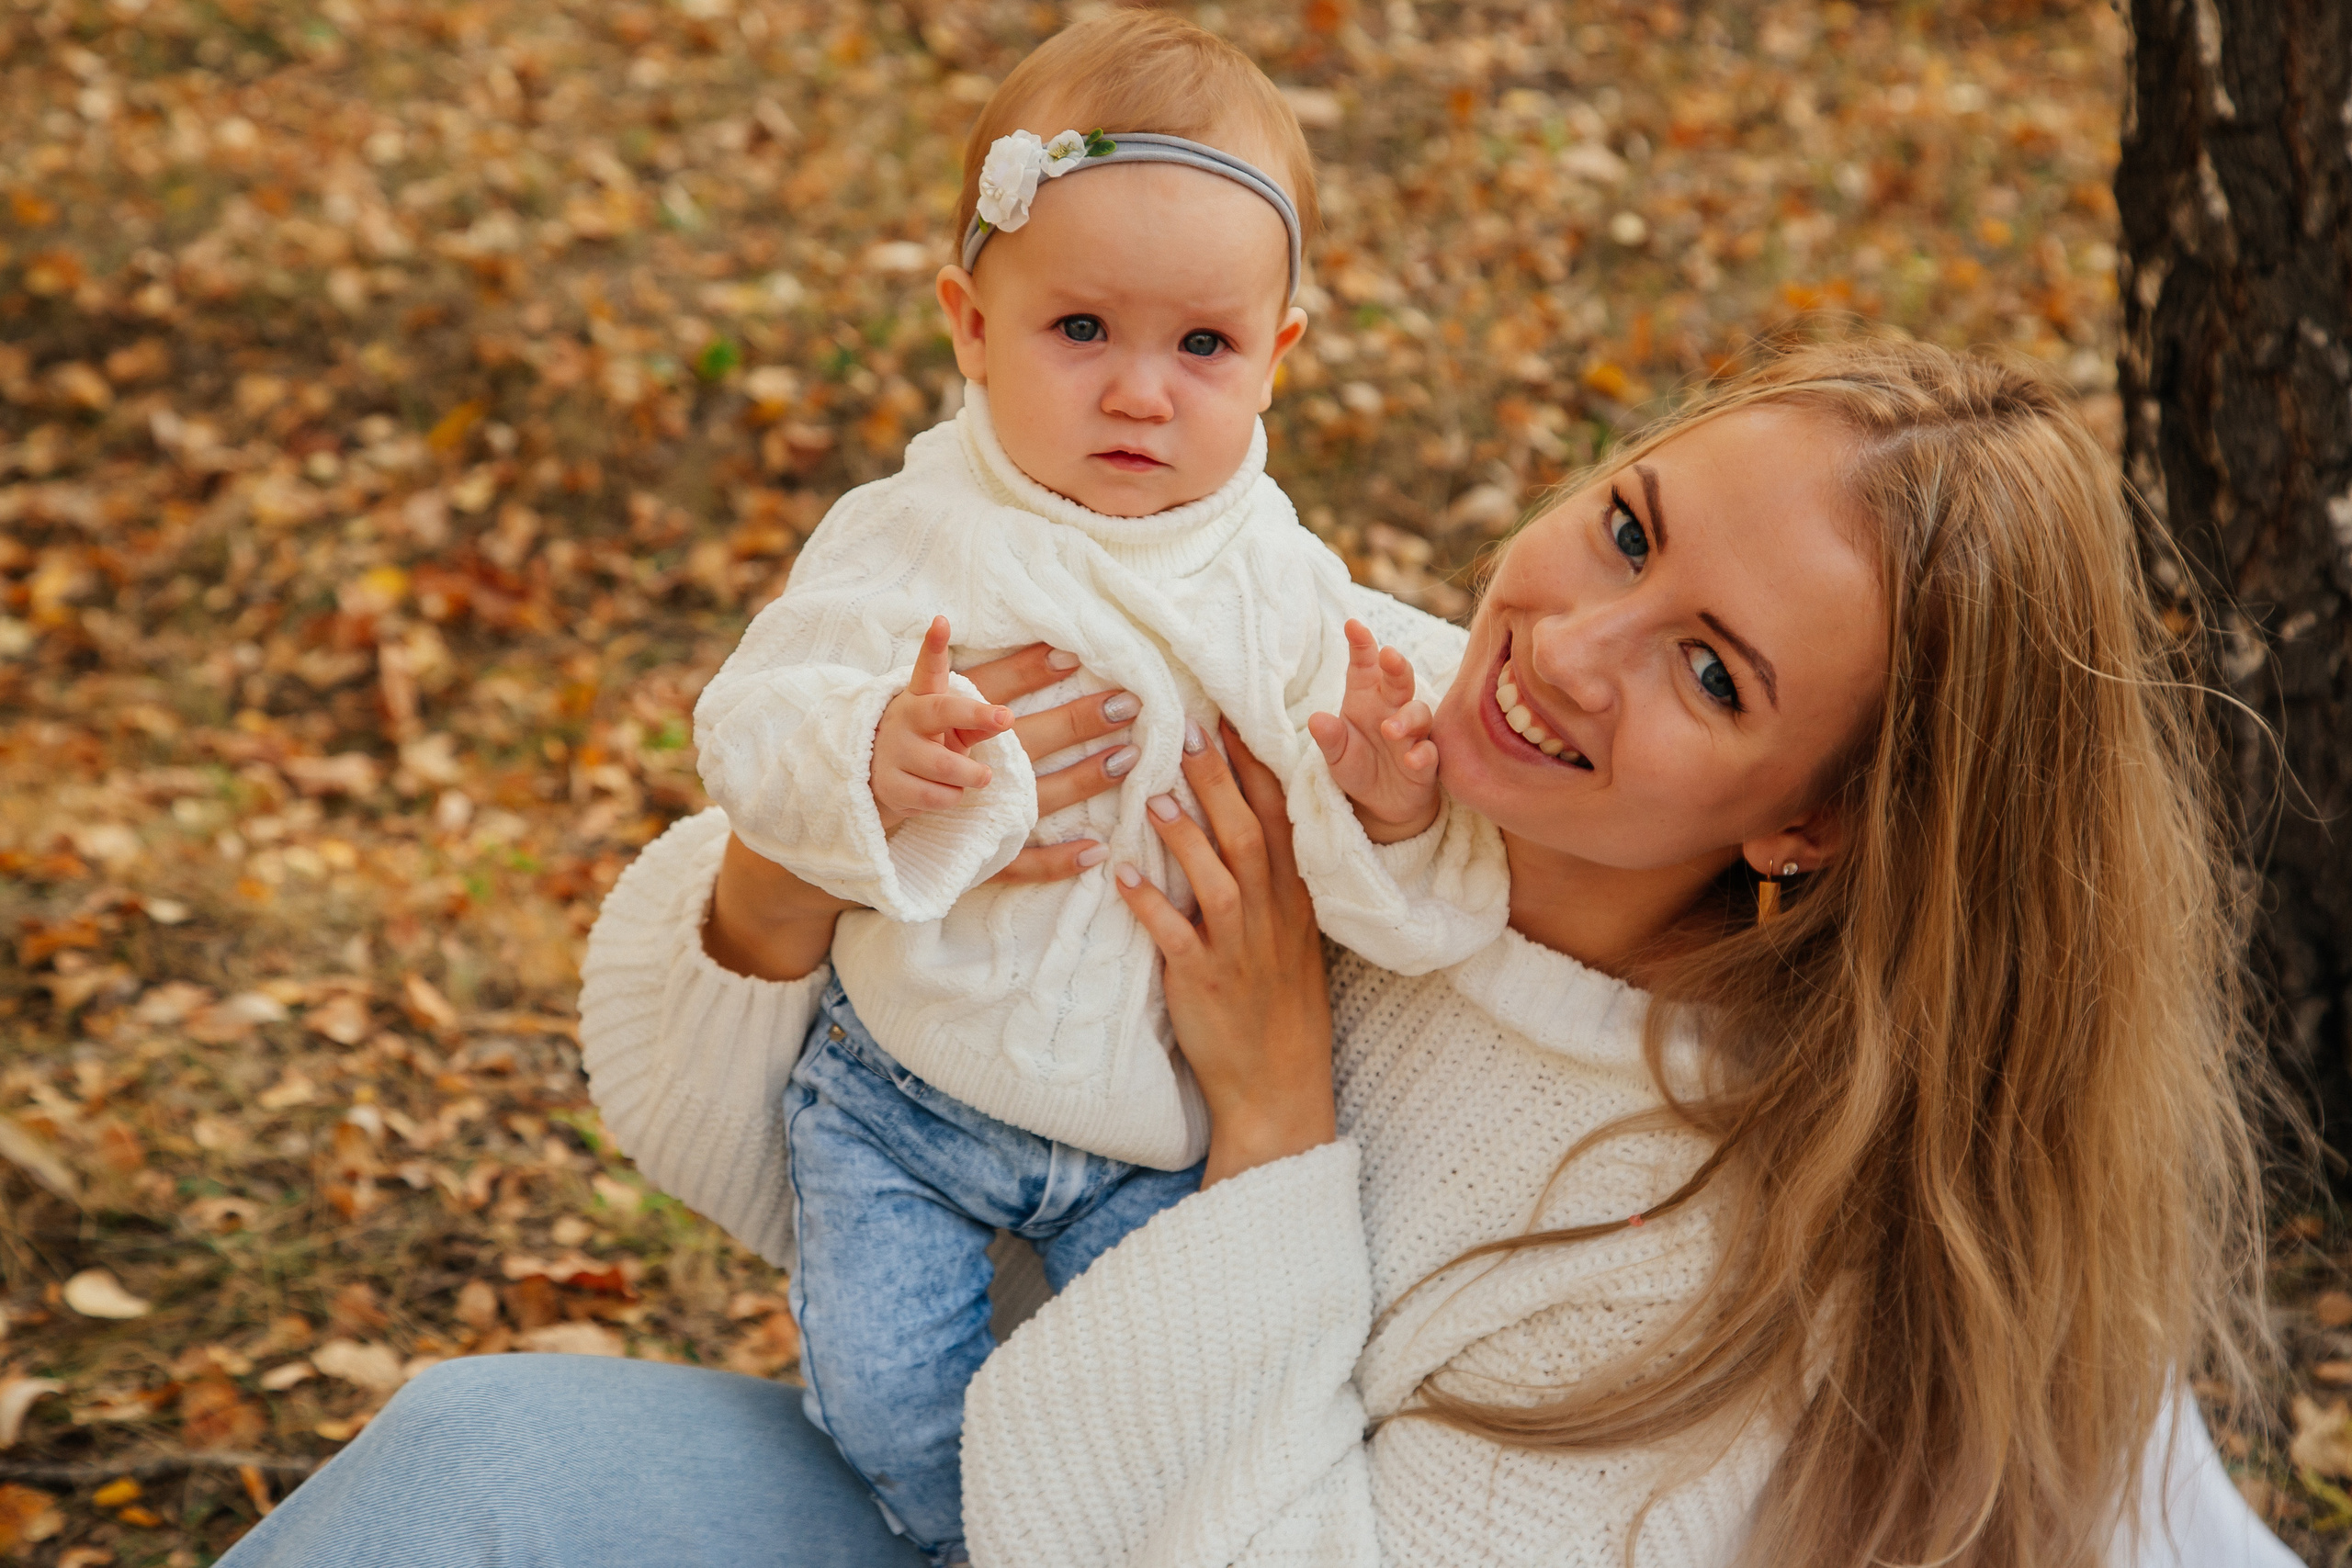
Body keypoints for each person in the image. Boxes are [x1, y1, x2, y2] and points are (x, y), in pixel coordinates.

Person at [220, 339, 2299, 1568]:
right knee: (483, 1468)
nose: (1554, 645)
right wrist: (809, 865)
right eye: (1628, 526)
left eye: (1704, 668)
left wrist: (1273, 1117)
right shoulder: (1329, 719)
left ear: (1811, 822)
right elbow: (764, 1150)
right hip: (985, 1503)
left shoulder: (1755, 1230)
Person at [684, 15, 1501, 1561]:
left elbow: (1351, 858)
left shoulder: (1275, 580)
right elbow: (751, 718)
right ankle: (947, 1542)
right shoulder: (914, 534)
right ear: (971, 324)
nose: (1141, 394)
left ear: (1280, 357)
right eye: (1081, 332)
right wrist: (867, 749)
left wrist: (1387, 804)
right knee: (885, 1402)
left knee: (1156, 1417)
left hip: (1153, 1127)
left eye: (1202, 347)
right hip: (899, 1098)